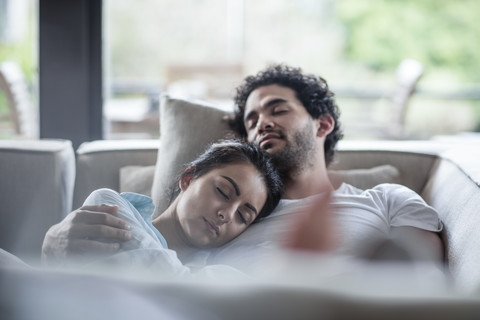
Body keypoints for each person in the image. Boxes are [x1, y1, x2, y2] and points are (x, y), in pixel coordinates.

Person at [42, 64, 444, 271]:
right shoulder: (224, 224)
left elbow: (424, 284)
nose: (261, 123)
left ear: (322, 124)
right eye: (250, 121)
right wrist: (55, 245)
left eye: (277, 109)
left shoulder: (388, 199)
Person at [41, 140, 283, 269]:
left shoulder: (220, 273)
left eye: (243, 216)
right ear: (188, 178)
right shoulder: (112, 207)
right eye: (223, 191)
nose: (227, 214)